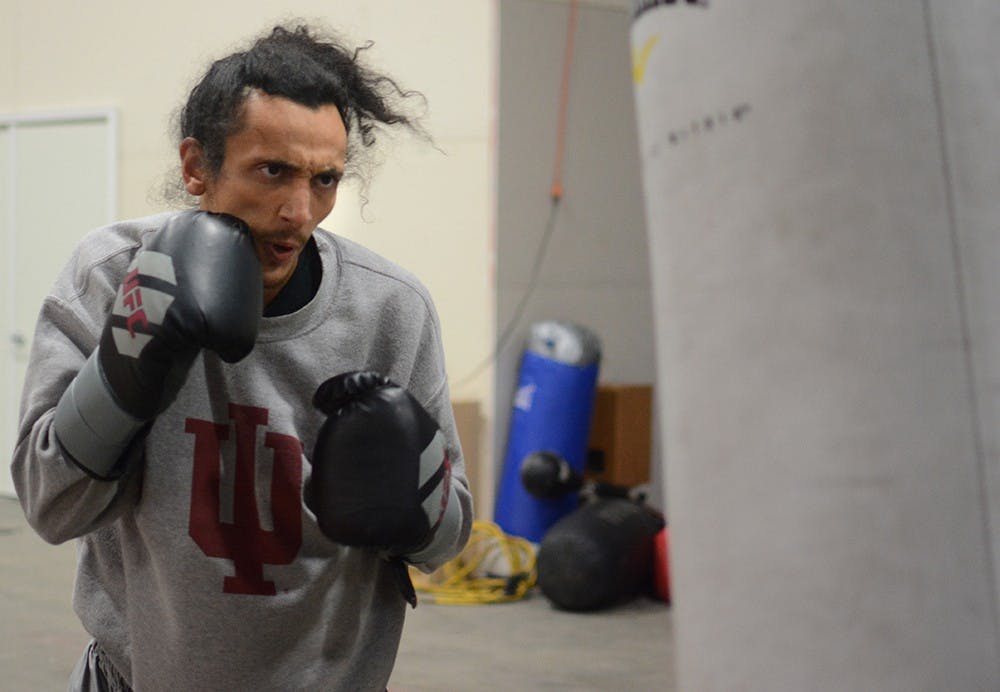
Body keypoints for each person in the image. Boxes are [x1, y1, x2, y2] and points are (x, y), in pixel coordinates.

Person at [10, 23, 473, 691]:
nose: (299, 210)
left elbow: (447, 540)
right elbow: (50, 506)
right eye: (273, 171)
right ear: (196, 166)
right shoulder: (113, 275)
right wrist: (126, 371)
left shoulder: (389, 310)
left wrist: (410, 496)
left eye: (325, 179)